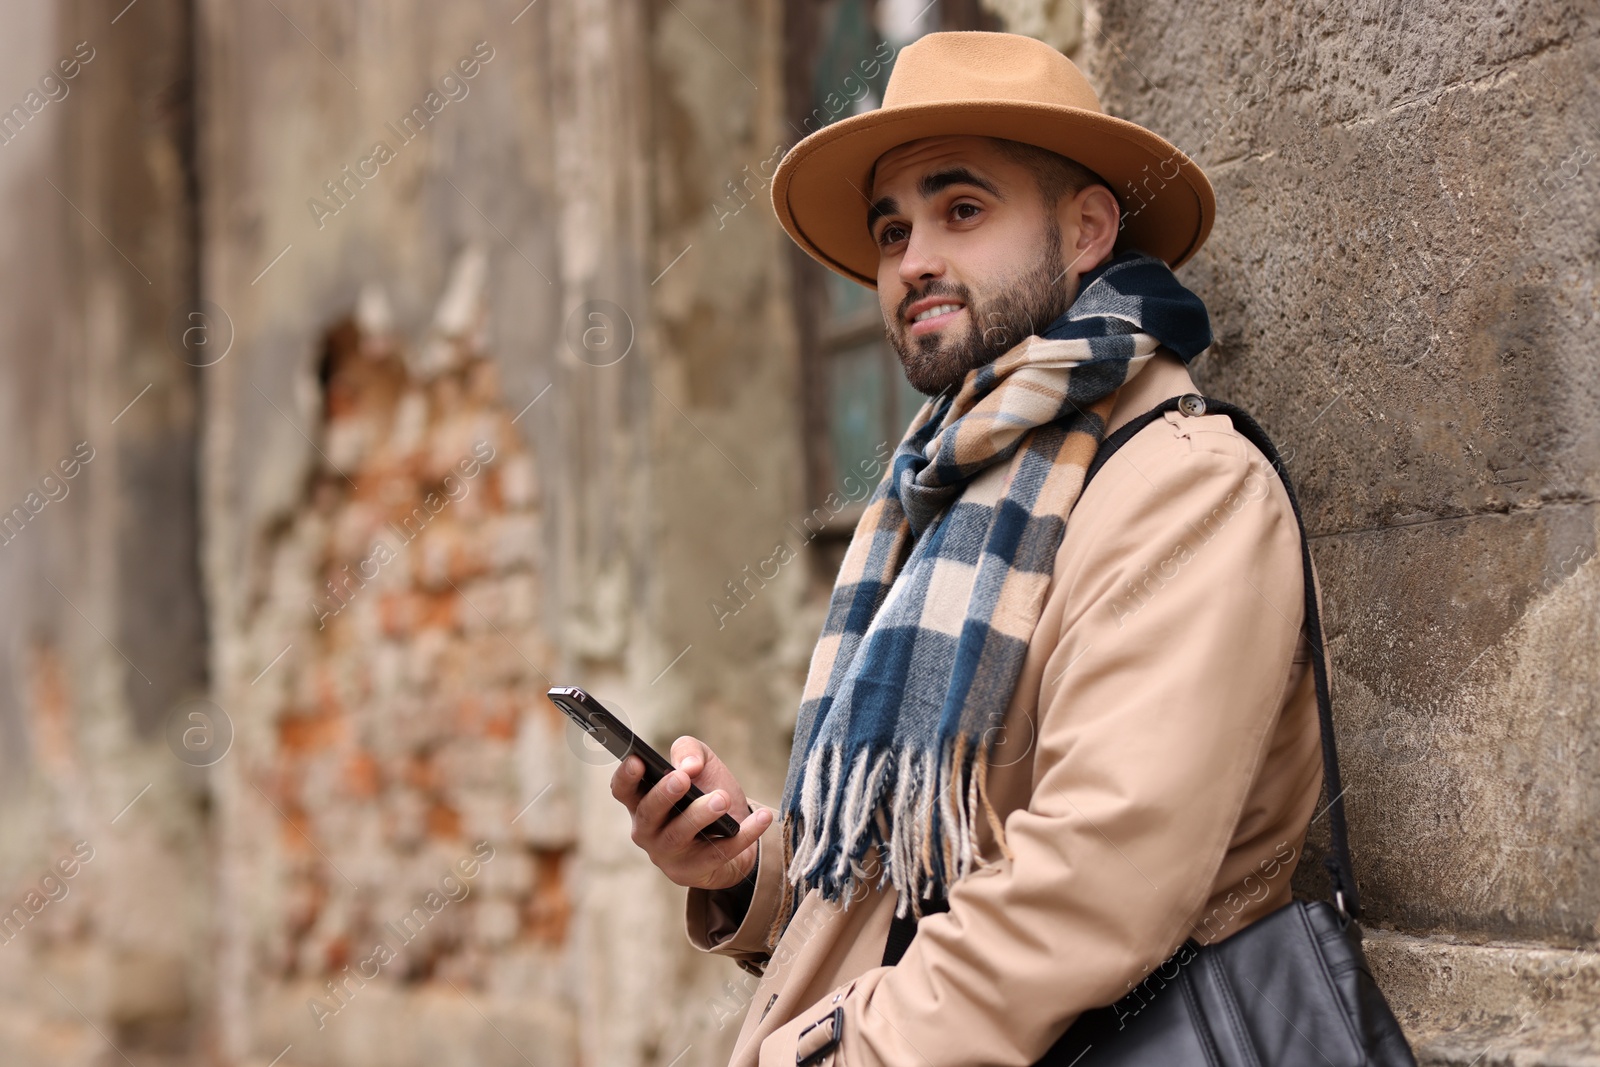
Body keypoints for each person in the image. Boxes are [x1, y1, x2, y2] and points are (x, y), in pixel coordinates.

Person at [609, 31, 1323, 1067]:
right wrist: (745, 873)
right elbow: (917, 865)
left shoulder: (1184, 489)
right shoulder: (944, 490)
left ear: (1084, 231)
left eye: (962, 210)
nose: (914, 261)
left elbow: (1089, 889)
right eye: (891, 229)